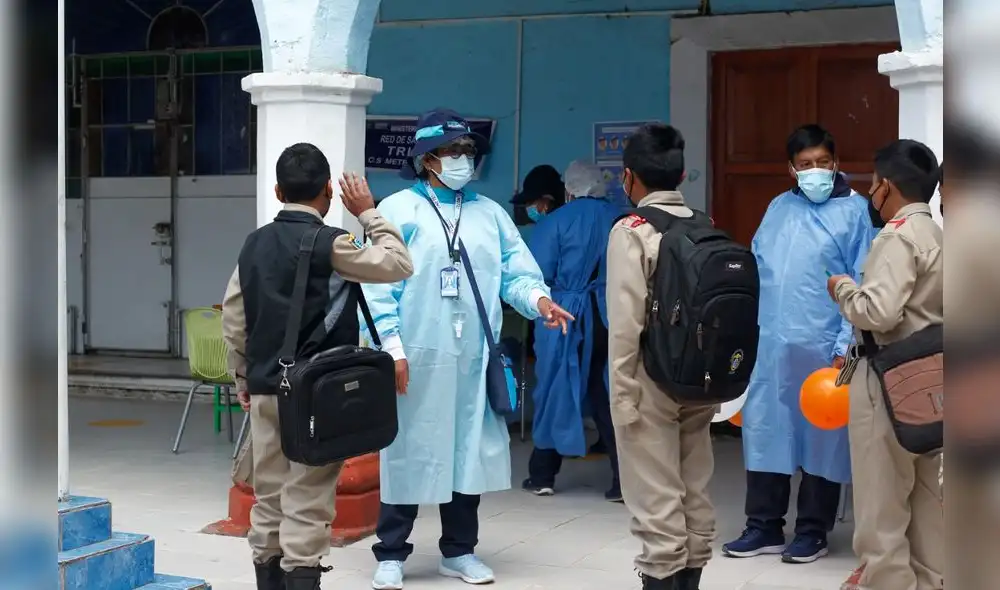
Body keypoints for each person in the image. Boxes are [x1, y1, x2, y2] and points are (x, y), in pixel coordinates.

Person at [361, 108, 575, 590]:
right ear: (426, 159)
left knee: (466, 451)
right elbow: (376, 287)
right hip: (415, 354)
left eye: (468, 151)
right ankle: (392, 552)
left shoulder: (490, 213)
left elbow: (517, 271)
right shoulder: (398, 211)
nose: (463, 159)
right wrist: (390, 348)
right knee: (408, 450)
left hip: (473, 355)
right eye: (453, 151)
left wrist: (540, 301)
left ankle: (459, 551)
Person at [221, 143, 414, 590]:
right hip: (314, 398)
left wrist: (243, 377)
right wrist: (368, 213)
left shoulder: (254, 244)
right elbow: (398, 264)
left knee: (267, 499)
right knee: (307, 503)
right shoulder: (332, 244)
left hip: (268, 388)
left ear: (276, 190)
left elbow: (234, 318)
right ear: (329, 190)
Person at [722, 124, 876, 564]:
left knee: (826, 434)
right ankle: (763, 526)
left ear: (836, 163)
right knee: (767, 429)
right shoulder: (778, 207)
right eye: (804, 165)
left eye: (822, 163)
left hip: (834, 347)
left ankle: (813, 530)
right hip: (772, 344)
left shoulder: (856, 212)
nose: (814, 172)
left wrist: (847, 343)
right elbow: (760, 265)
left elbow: (864, 278)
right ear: (791, 169)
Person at [828, 139, 943, 590]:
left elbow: (877, 313)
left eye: (874, 184)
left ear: (886, 188)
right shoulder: (937, 234)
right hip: (933, 377)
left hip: (889, 381)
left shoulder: (896, 237)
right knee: (929, 503)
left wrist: (841, 289)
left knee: (881, 506)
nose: (872, 192)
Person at [607, 123, 716, 590]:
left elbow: (626, 322)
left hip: (651, 381)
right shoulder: (705, 224)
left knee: (656, 502)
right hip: (701, 379)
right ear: (682, 174)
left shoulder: (631, 231)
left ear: (628, 177)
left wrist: (622, 395)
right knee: (694, 493)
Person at [520, 160, 624, 501]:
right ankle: (623, 482)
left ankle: (543, 474)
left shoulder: (555, 223)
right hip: (609, 314)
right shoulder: (620, 219)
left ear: (570, 189)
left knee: (555, 389)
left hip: (563, 313)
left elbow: (537, 276)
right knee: (607, 394)